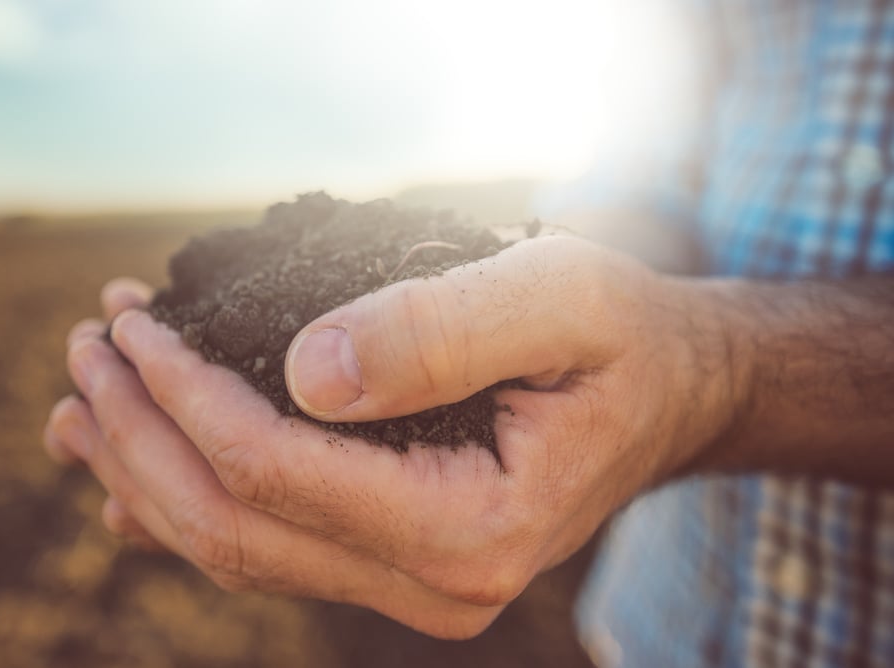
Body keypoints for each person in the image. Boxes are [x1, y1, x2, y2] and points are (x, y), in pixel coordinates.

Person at [44, 1, 893, 665]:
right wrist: (568, 306)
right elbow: (652, 180)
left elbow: (704, 364)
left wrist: (715, 372)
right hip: (658, 629)